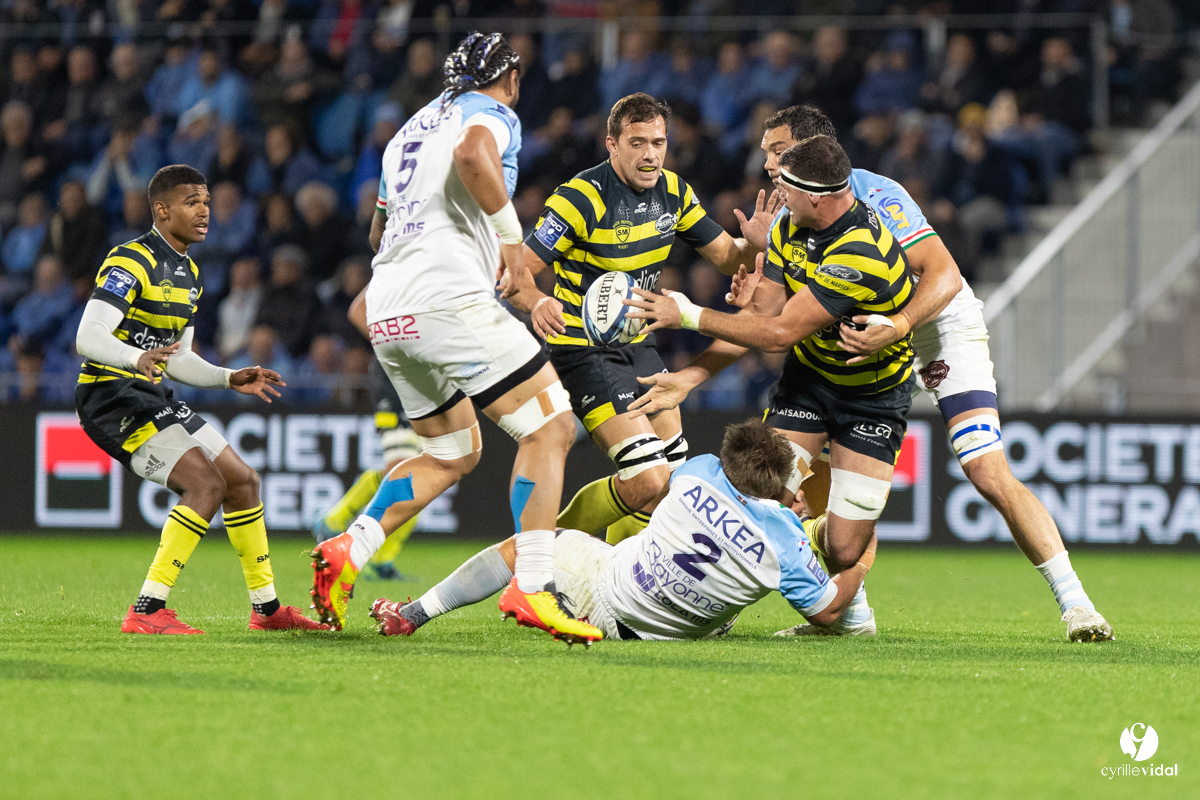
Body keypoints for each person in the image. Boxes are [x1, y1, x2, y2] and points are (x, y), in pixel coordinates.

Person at [635, 105, 1114, 643]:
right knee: (792, 477)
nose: (766, 163)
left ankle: (1077, 604)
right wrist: (755, 292)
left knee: (986, 470)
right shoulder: (793, 210)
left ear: (809, 151)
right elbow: (772, 317)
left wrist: (902, 323)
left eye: (776, 151)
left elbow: (946, 276)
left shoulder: (875, 198)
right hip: (852, 339)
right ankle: (849, 610)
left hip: (934, 325)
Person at [309, 32, 602, 646]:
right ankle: (534, 585)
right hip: (447, 300)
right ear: (511, 78)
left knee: (452, 453)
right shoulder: (493, 113)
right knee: (550, 426)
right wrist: (509, 240)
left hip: (386, 306)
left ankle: (350, 547)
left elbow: (376, 231)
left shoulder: (406, 132)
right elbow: (473, 155)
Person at [626, 135, 914, 639]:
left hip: (872, 397)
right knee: (754, 494)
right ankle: (715, 606)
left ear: (818, 198)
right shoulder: (789, 225)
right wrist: (691, 378)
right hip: (808, 384)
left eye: (785, 185)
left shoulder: (862, 250)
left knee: (845, 548)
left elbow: (781, 332)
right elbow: (763, 315)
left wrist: (687, 313)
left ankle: (850, 609)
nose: (776, 192)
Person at [504, 93, 777, 547]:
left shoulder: (673, 191)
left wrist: (752, 245)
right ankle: (533, 555)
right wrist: (535, 301)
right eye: (637, 143)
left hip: (640, 344)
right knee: (648, 479)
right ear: (611, 145)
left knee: (671, 483)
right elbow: (517, 275)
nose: (650, 154)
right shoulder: (580, 198)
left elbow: (728, 259)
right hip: (584, 348)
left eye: (658, 142)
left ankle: (611, 575)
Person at [73, 164, 324, 635]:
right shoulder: (132, 260)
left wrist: (231, 378)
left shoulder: (189, 272)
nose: (205, 211)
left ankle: (267, 611)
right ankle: (147, 611)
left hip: (148, 391)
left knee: (243, 481)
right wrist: (135, 358)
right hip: (111, 394)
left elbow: (181, 360)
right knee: (205, 485)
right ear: (162, 210)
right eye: (193, 202)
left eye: (207, 201)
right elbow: (88, 336)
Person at [370, 419, 874, 642]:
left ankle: (414, 614)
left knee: (528, 547)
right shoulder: (785, 536)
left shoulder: (700, 470)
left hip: (612, 602)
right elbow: (829, 610)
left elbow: (674, 493)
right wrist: (863, 556)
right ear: (780, 491)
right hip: (689, 631)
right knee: (746, 578)